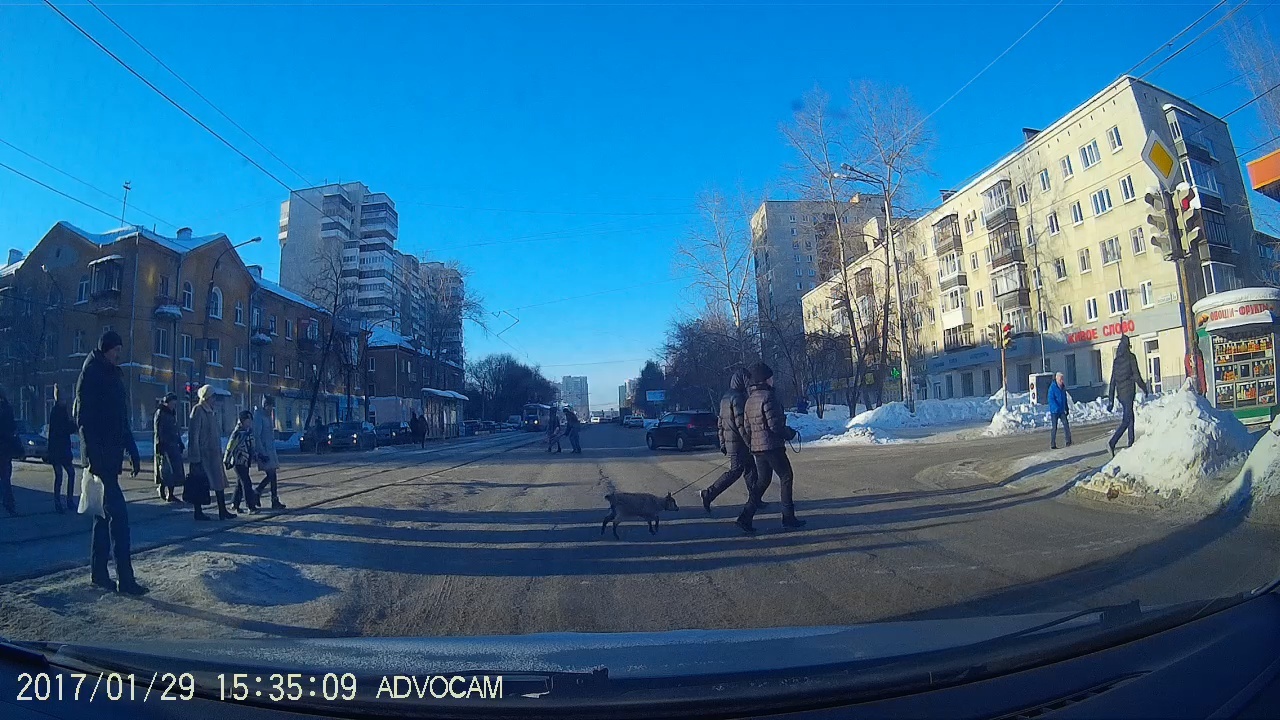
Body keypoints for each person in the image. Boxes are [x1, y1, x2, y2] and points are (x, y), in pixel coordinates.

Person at [73, 331, 145, 595]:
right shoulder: (91, 374)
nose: (119, 354)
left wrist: (132, 449)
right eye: (116, 350)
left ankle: (98, 573)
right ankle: (125, 579)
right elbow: (84, 420)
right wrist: (93, 457)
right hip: (99, 459)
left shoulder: (113, 374)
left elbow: (121, 418)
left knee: (103, 518)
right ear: (105, 349)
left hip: (111, 456)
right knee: (119, 519)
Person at [740, 362, 804, 532]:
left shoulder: (750, 400)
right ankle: (788, 517)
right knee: (786, 476)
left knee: (763, 481)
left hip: (758, 448)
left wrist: (752, 444)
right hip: (772, 447)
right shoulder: (768, 397)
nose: (773, 380)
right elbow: (775, 426)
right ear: (765, 379)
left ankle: (745, 516)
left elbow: (746, 428)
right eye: (771, 377)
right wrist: (789, 433)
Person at [701, 368, 766, 520]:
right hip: (739, 442)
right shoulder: (738, 397)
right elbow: (741, 424)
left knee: (750, 470)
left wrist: (722, 442)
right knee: (735, 472)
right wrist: (749, 441)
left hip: (733, 442)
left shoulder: (725, 397)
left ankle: (755, 498)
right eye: (747, 380)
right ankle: (708, 494)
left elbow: (720, 423)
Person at [188, 384, 234, 520]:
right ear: (206, 397)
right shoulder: (198, 410)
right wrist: (195, 457)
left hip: (214, 454)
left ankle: (222, 510)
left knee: (219, 482)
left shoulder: (211, 411)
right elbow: (193, 435)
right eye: (212, 396)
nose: (214, 399)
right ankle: (198, 512)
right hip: (204, 454)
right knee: (200, 483)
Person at [1106, 334, 1151, 457]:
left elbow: (1112, 380)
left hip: (1120, 394)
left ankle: (1131, 443)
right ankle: (1112, 442)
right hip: (1129, 392)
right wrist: (1144, 388)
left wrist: (1111, 400)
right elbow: (1136, 375)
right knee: (1127, 420)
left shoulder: (1116, 361)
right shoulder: (1131, 357)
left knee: (1130, 417)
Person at [48, 385, 77, 513]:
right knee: (61, 475)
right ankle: (60, 502)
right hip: (58, 450)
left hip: (61, 449)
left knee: (68, 474)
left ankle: (65, 501)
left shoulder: (61, 411)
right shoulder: (57, 412)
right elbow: (62, 430)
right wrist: (73, 425)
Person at [152, 392, 185, 503]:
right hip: (164, 445)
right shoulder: (161, 413)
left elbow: (175, 430)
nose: (173, 405)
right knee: (165, 470)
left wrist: (180, 442)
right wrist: (159, 445)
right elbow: (158, 430)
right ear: (167, 402)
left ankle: (171, 494)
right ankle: (162, 488)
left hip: (173, 446)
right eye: (172, 402)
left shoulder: (172, 413)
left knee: (175, 471)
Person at [253, 396, 285, 510]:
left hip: (270, 450)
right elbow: (257, 436)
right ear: (264, 405)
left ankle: (260, 493)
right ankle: (267, 496)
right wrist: (262, 453)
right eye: (269, 406)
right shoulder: (259, 416)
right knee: (271, 475)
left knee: (272, 475)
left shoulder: (268, 416)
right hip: (264, 452)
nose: (271, 408)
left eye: (272, 406)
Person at [227, 410, 260, 514]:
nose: (249, 422)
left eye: (250, 421)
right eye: (247, 420)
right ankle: (250, 506)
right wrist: (226, 459)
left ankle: (234, 504)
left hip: (245, 461)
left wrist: (256, 455)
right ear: (242, 421)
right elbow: (230, 446)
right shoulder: (237, 433)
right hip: (238, 461)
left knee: (240, 483)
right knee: (246, 483)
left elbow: (251, 446)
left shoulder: (248, 432)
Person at [0, 388, 17, 516]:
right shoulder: (7, 408)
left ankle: (7, 502)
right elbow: (13, 427)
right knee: (6, 478)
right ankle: (9, 504)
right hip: (6, 448)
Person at [1048, 372, 1072, 450]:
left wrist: (1066, 408)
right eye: (1061, 379)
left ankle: (1068, 441)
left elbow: (1064, 398)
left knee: (1066, 425)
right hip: (1054, 411)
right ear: (1057, 379)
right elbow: (1051, 399)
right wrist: (1056, 407)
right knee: (1054, 427)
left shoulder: (1063, 388)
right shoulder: (1052, 387)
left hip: (1061, 410)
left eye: (1063, 379)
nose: (1062, 380)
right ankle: (1052, 444)